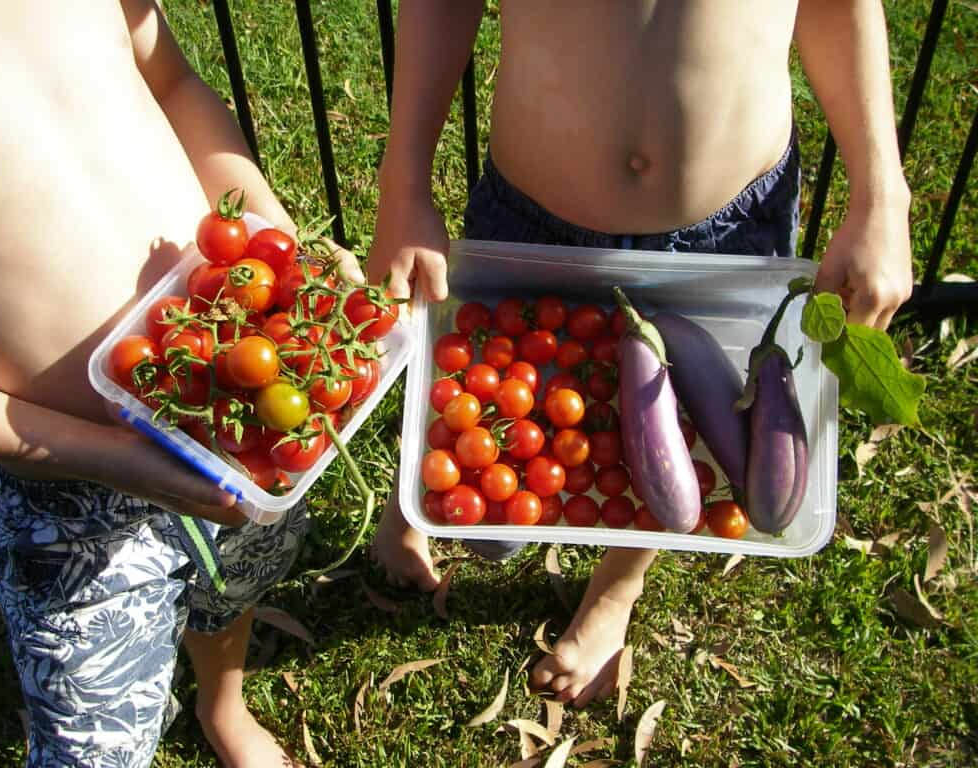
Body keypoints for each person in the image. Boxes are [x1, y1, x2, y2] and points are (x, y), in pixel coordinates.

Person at [367, 0, 913, 708]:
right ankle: (420, 504)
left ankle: (618, 585)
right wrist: (403, 180)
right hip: (532, 211)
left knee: (680, 446)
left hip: (731, 224)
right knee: (495, 447)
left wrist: (883, 193)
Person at [0, 2, 363, 766]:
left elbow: (171, 81)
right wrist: (99, 453)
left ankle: (221, 703)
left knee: (234, 577)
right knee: (93, 733)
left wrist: (274, 240)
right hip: (64, 486)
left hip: (243, 402)